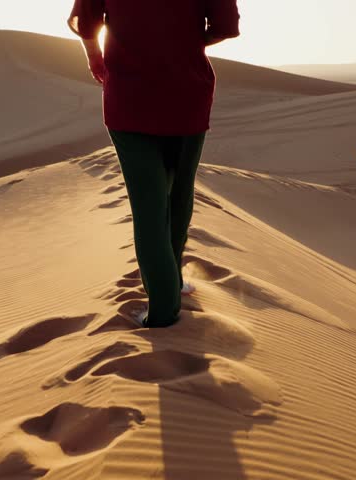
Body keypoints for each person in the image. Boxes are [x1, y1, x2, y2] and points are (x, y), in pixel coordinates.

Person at [67, 0, 241, 328]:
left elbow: (86, 21)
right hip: (186, 94)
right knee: (178, 196)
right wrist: (184, 38)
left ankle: (163, 310)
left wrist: (94, 55)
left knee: (148, 208)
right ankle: (171, 283)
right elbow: (225, 26)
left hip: (129, 99)